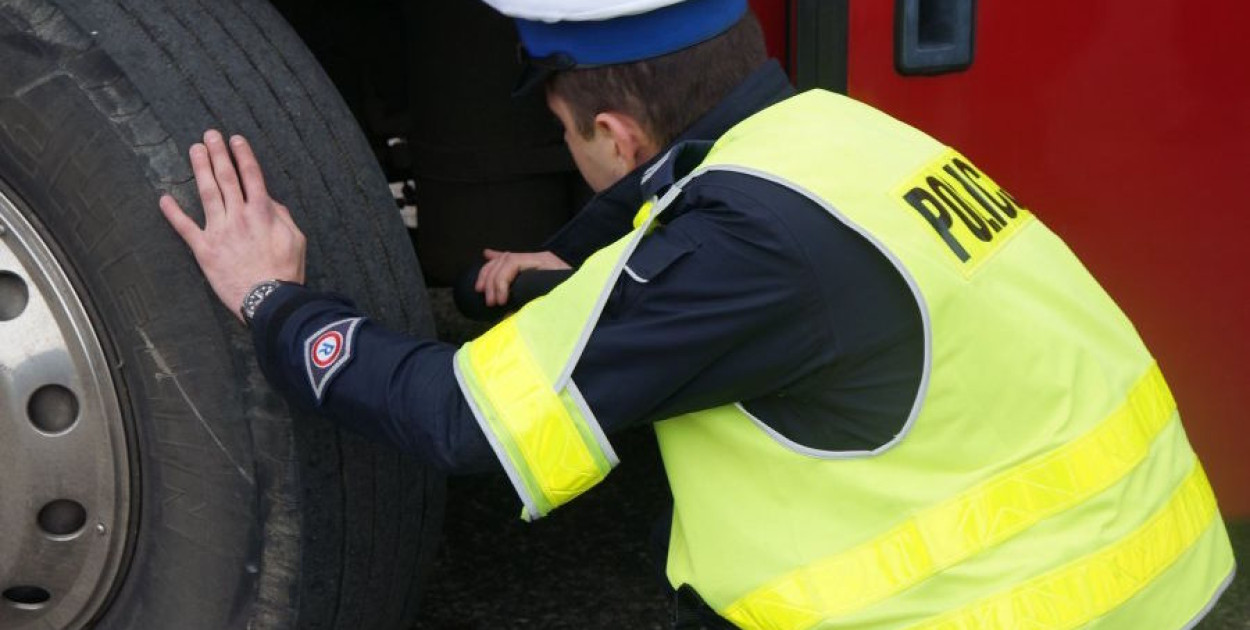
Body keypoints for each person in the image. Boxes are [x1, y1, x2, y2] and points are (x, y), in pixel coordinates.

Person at [158, 0, 1236, 627]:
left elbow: (464, 421)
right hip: (1140, 579)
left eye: (565, 134)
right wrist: (568, 265)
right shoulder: (839, 135)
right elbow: (708, 241)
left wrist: (273, 298)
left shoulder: (742, 253)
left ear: (614, 135)